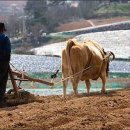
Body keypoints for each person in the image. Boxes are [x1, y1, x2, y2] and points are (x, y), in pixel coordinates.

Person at [0, 22, 11, 107]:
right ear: (3, 29)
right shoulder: (5, 38)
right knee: (2, 81)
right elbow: (8, 52)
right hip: (2, 63)